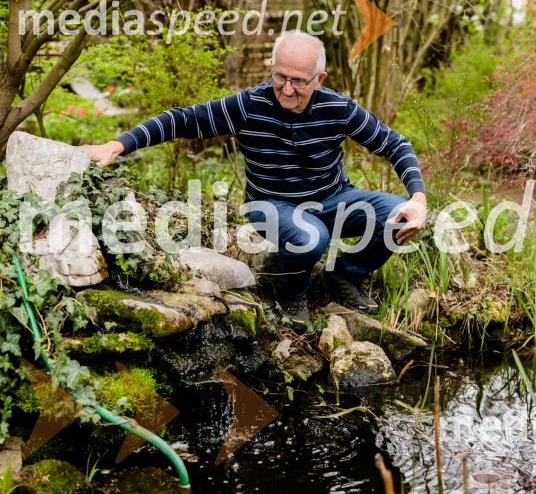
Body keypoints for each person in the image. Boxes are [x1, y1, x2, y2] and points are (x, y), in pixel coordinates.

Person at [83, 30, 427, 333]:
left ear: (319, 79)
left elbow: (396, 144)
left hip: (333, 198)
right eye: (280, 77)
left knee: (397, 211)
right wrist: (118, 144)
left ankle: (345, 274)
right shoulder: (249, 106)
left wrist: (418, 198)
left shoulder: (338, 108)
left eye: (299, 81)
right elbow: (181, 120)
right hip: (271, 205)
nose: (287, 89)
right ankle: (291, 294)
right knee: (310, 236)